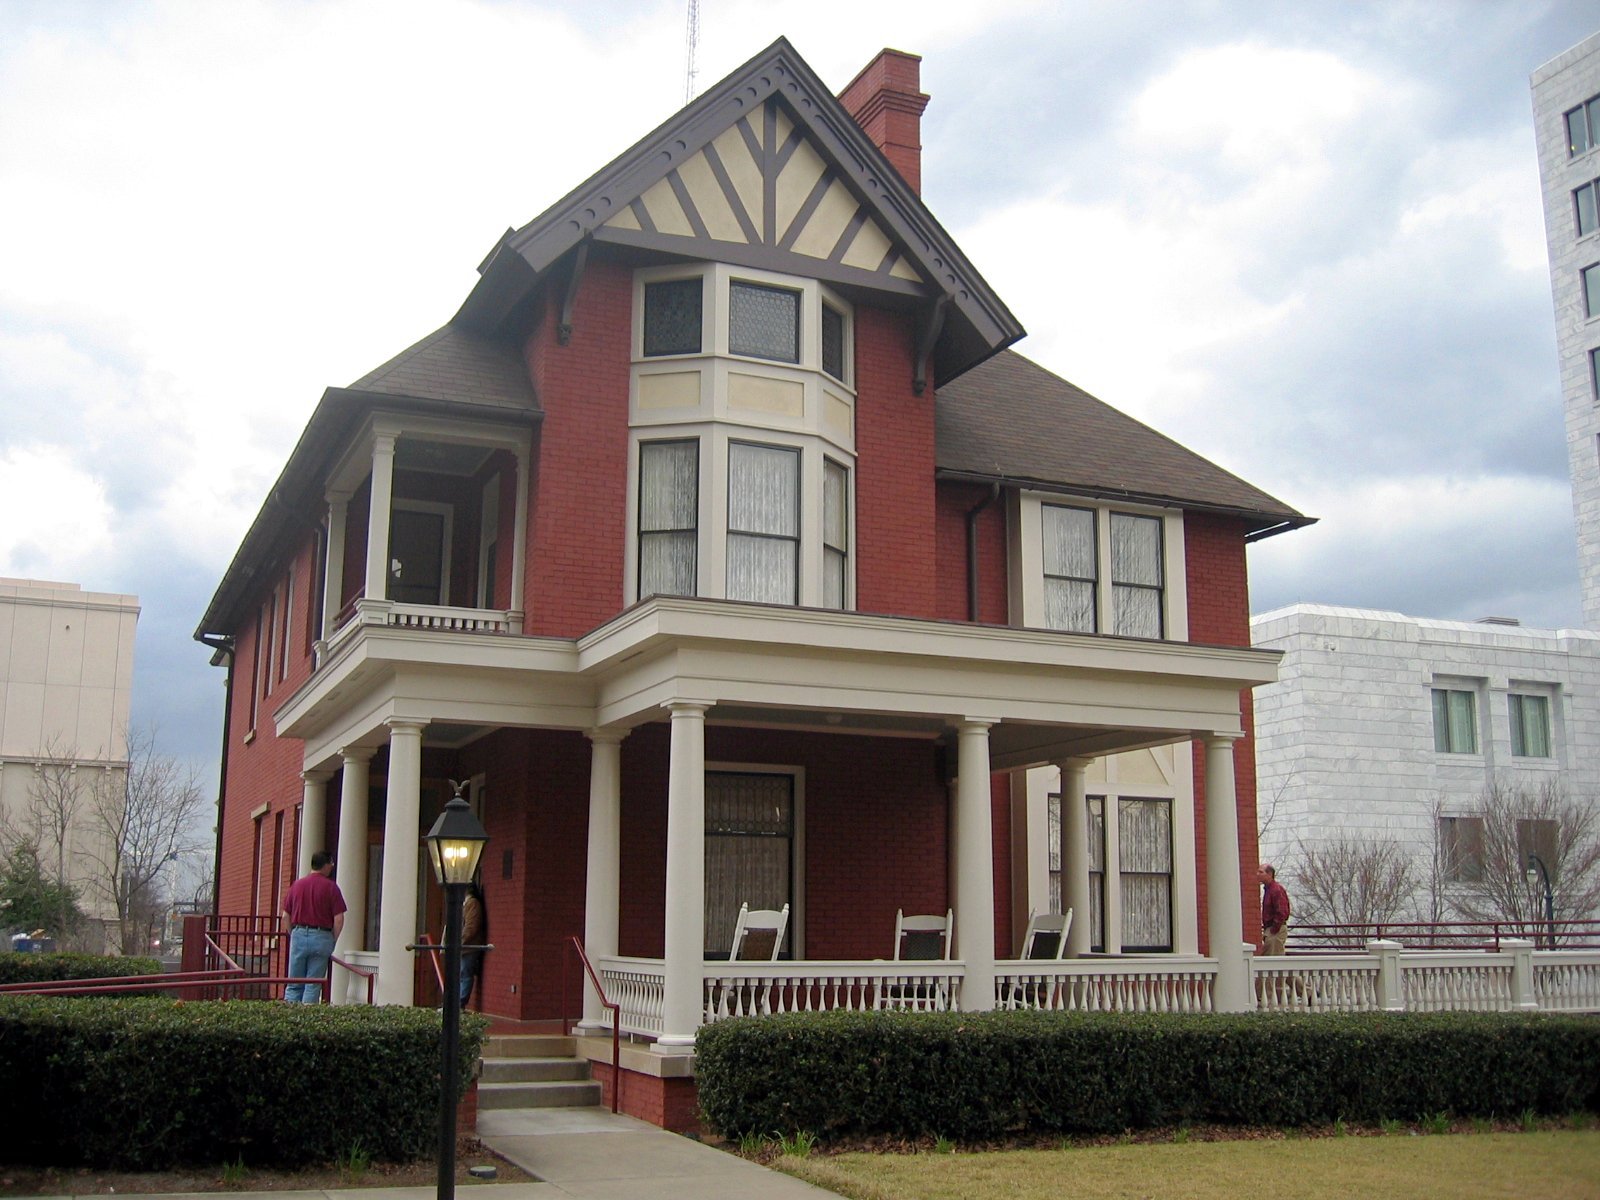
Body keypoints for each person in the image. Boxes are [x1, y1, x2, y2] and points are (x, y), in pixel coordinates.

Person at [281, 851, 347, 1003]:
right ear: (325, 865)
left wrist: (294, 933)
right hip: (321, 936)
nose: (331, 867)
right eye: (331, 864)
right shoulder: (331, 888)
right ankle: (307, 1021)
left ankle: (289, 1018)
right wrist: (332, 939)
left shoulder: (297, 886)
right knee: (313, 984)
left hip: (299, 933)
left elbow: (285, 916)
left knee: (294, 983)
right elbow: (339, 918)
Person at [457, 879, 486, 1008]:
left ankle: (460, 1002)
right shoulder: (466, 904)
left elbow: (471, 926)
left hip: (468, 947)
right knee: (461, 974)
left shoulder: (472, 904)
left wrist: (460, 941)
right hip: (464, 947)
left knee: (465, 974)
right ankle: (457, 1001)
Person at [1258, 863, 1290, 956]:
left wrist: (1274, 929)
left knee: (1271, 960)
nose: (1257, 874)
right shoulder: (1269, 889)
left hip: (1275, 929)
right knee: (1269, 957)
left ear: (1269, 874)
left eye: (1261, 872)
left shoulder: (1276, 890)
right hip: (1272, 929)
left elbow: (1282, 911)